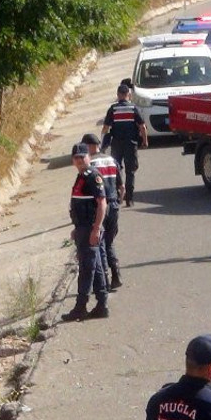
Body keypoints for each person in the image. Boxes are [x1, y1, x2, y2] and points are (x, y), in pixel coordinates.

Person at [63, 143, 108, 321]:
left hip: (90, 228)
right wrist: (76, 228)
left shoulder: (92, 176)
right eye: (76, 158)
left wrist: (96, 229)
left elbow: (102, 204)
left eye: (82, 157)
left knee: (86, 268)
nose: (80, 161)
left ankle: (81, 306)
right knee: (95, 267)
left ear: (89, 157)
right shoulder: (81, 177)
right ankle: (102, 305)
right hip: (83, 228)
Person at [82, 133, 124, 289]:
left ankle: (105, 280)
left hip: (99, 207)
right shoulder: (111, 160)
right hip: (113, 205)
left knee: (99, 242)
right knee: (109, 241)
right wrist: (118, 201)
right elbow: (122, 187)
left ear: (89, 146)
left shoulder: (89, 164)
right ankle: (116, 274)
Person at [101, 82, 147, 207]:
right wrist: (145, 141)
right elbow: (142, 126)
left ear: (118, 95)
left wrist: (102, 143)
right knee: (130, 171)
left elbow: (105, 127)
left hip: (116, 144)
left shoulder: (113, 109)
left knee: (116, 168)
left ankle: (118, 194)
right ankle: (129, 199)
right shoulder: (133, 108)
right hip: (131, 144)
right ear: (128, 95)